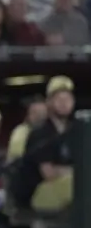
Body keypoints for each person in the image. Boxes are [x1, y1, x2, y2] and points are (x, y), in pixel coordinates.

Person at [14, 77, 76, 214]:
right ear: (49, 102)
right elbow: (49, 173)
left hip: (60, 190)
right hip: (36, 194)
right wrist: (77, 172)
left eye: (68, 99)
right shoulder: (40, 132)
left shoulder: (75, 131)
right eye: (59, 99)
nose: (64, 103)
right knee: (78, 184)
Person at [7, 96, 47, 164]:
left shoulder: (52, 131)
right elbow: (17, 157)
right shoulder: (20, 132)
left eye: (42, 113)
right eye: (35, 112)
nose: (39, 116)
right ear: (28, 115)